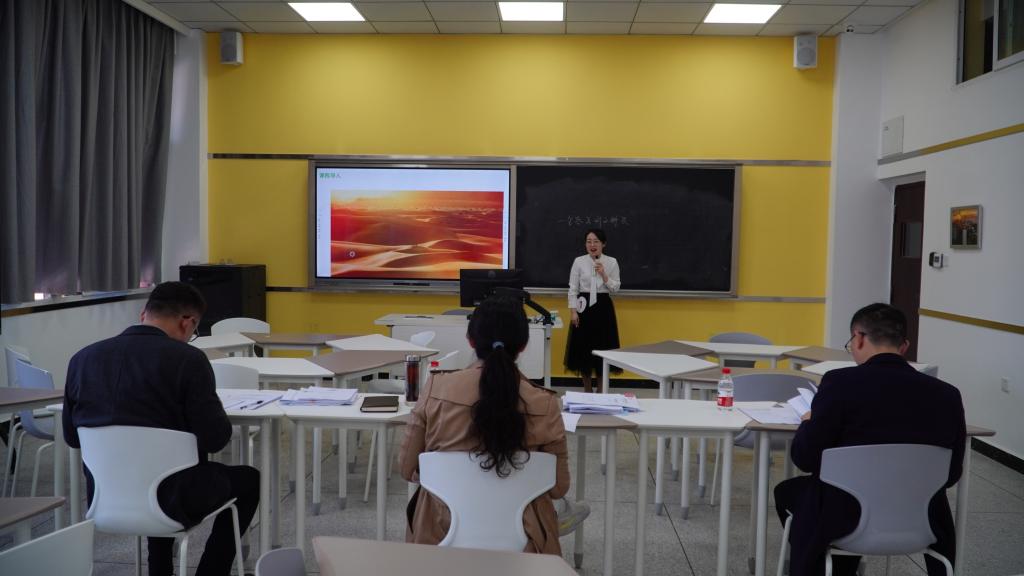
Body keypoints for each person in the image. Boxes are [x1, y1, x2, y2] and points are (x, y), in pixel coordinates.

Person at [63, 281, 259, 576]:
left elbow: (71, 436)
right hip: (172, 500)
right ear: (187, 323)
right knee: (248, 479)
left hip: (104, 496)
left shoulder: (82, 359)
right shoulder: (189, 360)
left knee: (157, 469)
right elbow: (216, 439)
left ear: (144, 314)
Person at [774, 303, 966, 576]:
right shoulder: (947, 394)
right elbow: (952, 473)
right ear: (904, 346)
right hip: (921, 517)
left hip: (844, 517)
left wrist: (808, 423)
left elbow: (805, 458)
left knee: (787, 492)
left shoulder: (839, 383)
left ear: (859, 338)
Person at [399, 295, 579, 554]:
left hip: (438, 537)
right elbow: (559, 487)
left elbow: (407, 469)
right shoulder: (545, 404)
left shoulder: (435, 389)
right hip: (524, 543)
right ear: (523, 345)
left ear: (470, 340)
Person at [564, 228, 621, 393]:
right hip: (583, 306)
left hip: (603, 307)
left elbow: (616, 288)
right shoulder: (579, 261)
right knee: (584, 348)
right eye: (589, 241)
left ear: (603, 244)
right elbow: (573, 288)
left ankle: (601, 390)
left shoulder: (612, 262)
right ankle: (587, 389)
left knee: (603, 348)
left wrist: (604, 275)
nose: (592, 245)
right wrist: (573, 311)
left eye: (596, 241)